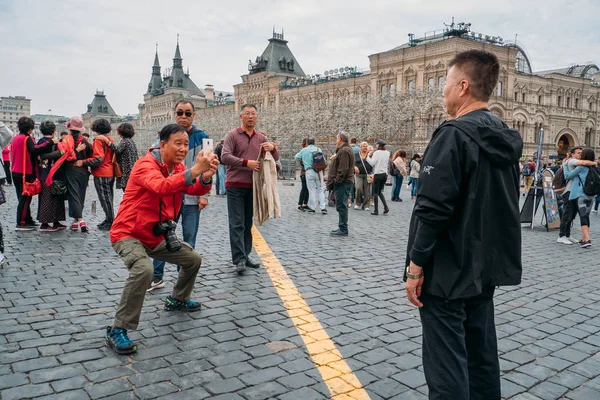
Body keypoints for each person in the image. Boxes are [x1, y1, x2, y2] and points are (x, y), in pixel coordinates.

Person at [404, 50, 523, 399]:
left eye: (446, 83)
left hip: (447, 269)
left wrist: (415, 266)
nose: (443, 91)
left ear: (464, 86)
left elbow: (432, 208)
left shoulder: (453, 135)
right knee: (481, 354)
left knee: (446, 364)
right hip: (484, 267)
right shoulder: (503, 135)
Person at [106, 123, 218, 355]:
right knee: (144, 269)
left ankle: (177, 299)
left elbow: (193, 189)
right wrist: (195, 170)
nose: (183, 149)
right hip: (128, 233)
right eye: (178, 143)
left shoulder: (175, 168)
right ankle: (118, 328)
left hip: (155, 234)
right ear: (162, 143)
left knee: (192, 259)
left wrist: (205, 177)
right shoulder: (145, 165)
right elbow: (162, 187)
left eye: (186, 144)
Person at [149, 101, 209, 290]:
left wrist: (205, 195)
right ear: (174, 114)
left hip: (192, 196)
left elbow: (207, 169)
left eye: (188, 113)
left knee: (189, 239)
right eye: (180, 112)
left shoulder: (202, 138)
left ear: (194, 115)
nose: (183, 116)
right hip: (169, 196)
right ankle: (156, 277)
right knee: (162, 237)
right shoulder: (163, 135)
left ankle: (182, 277)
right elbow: (153, 158)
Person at [222, 104, 278, 274]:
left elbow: (275, 158)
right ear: (241, 117)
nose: (251, 117)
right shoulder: (232, 135)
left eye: (253, 114)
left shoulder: (261, 137)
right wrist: (247, 163)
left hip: (253, 186)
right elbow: (225, 156)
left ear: (257, 117)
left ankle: (245, 256)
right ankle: (239, 259)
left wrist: (273, 148)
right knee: (237, 223)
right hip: (235, 185)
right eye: (247, 114)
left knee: (247, 223)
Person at [10, 117, 55, 231]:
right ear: (30, 129)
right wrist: (50, 142)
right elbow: (35, 150)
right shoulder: (27, 138)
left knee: (23, 197)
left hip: (16, 171)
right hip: (25, 171)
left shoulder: (16, 138)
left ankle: (28, 219)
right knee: (25, 198)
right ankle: (21, 222)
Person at [557, 147, 596, 245]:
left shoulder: (578, 162)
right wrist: (595, 162)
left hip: (576, 193)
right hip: (569, 192)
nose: (580, 155)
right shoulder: (572, 161)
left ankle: (567, 235)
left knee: (572, 215)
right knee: (567, 214)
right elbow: (584, 163)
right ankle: (562, 236)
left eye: (581, 153)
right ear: (572, 154)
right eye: (578, 153)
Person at [62, 117, 94, 232]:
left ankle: (80, 219)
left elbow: (63, 155)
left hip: (70, 170)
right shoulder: (85, 141)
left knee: (73, 195)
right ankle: (75, 222)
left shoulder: (66, 140)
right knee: (80, 195)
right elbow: (91, 154)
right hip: (83, 171)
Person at [86, 119, 116, 230]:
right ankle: (109, 218)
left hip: (102, 172)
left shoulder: (98, 141)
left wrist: (84, 162)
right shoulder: (109, 139)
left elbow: (98, 159)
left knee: (104, 198)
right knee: (109, 198)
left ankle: (110, 220)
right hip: (110, 172)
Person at [37, 121, 66, 231]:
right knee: (48, 198)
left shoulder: (40, 141)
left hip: (45, 173)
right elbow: (60, 154)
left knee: (54, 198)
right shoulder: (53, 142)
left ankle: (56, 221)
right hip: (51, 173)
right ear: (54, 131)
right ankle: (44, 224)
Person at [326, 132, 354, 235]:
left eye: (337, 138)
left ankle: (343, 228)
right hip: (344, 181)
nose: (336, 140)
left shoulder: (344, 151)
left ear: (341, 139)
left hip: (343, 182)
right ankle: (342, 227)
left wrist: (336, 180)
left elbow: (343, 168)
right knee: (341, 205)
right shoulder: (345, 150)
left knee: (341, 205)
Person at [97, 122, 138, 192]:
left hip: (126, 172)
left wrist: (107, 141)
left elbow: (117, 150)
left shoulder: (125, 141)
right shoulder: (131, 141)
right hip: (131, 172)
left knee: (127, 193)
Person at [295, 137, 327, 214]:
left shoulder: (304, 150)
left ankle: (313, 207)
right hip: (319, 172)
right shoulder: (318, 150)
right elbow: (324, 161)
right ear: (314, 142)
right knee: (320, 190)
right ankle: (323, 208)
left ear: (307, 143)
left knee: (311, 190)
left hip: (309, 171)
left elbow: (296, 157)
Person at [367, 139, 390, 215]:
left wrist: (368, 156)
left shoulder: (377, 153)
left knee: (375, 192)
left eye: (377, 144)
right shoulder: (387, 153)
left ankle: (376, 210)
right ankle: (386, 207)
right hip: (384, 174)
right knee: (380, 191)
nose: (376, 146)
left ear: (379, 145)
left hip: (378, 173)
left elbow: (372, 163)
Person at [354, 141, 373, 211]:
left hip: (368, 174)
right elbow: (352, 163)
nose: (365, 147)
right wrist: (354, 167)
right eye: (363, 146)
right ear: (360, 147)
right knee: (358, 188)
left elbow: (374, 164)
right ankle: (358, 203)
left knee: (367, 190)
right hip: (358, 174)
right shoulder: (356, 155)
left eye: (366, 146)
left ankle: (366, 205)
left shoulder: (370, 155)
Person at [296, 138, 309, 211]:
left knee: (307, 189)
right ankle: (300, 204)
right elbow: (301, 162)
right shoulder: (303, 151)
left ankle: (305, 203)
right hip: (304, 173)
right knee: (304, 188)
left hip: (307, 173)